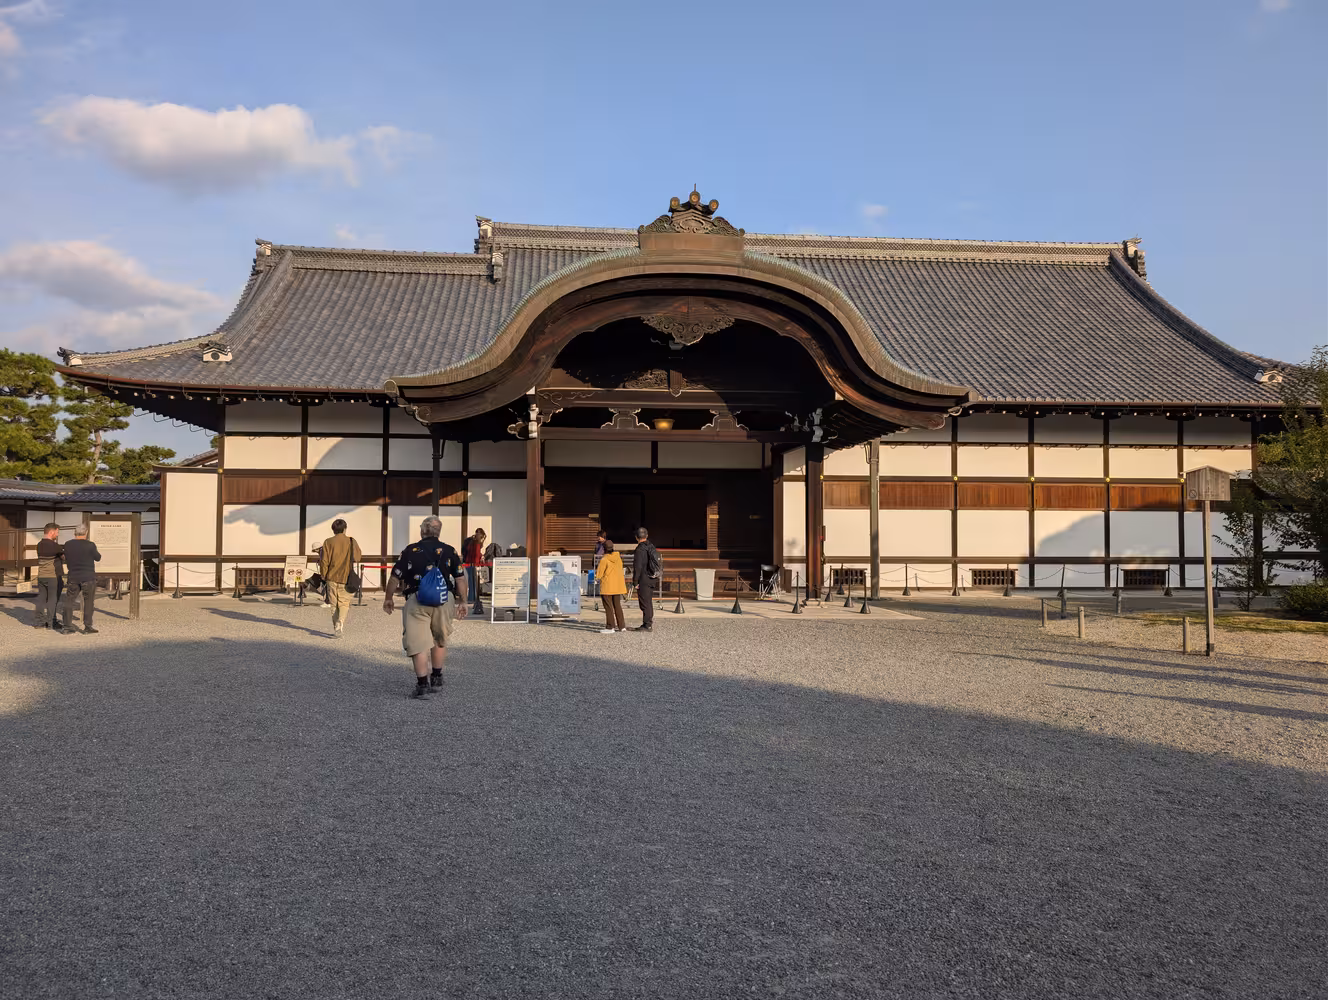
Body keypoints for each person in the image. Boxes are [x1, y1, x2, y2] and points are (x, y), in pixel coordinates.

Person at [383, 516, 467, 699]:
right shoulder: (449, 550)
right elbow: (460, 578)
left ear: (422, 531)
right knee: (439, 638)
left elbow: (395, 577)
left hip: (417, 599)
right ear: (439, 532)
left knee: (418, 642)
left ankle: (422, 685)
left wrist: (388, 597)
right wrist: (463, 601)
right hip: (444, 599)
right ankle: (437, 677)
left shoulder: (410, 551)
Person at [318, 519, 362, 638]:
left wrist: (324, 575)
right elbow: (358, 558)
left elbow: (324, 561)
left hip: (331, 576)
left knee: (333, 604)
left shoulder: (328, 542)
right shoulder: (351, 541)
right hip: (345, 576)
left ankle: (335, 628)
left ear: (333, 530)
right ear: (345, 529)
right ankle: (340, 623)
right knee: (344, 603)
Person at [61, 525, 101, 635]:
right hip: (88, 577)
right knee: (88, 602)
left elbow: (66, 557)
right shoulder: (90, 545)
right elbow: (98, 557)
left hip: (73, 576)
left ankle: (67, 627)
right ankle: (87, 627)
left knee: (69, 601)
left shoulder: (68, 544)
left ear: (75, 533)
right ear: (86, 533)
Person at [33, 523, 67, 630]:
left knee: (41, 598)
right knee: (52, 599)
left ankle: (39, 622)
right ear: (51, 532)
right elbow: (63, 557)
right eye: (57, 533)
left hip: (41, 576)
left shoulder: (39, 544)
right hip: (52, 576)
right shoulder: (54, 545)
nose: (57, 535)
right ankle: (51, 623)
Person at [631, 526, 660, 632]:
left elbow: (637, 567)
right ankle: (648, 622)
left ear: (636, 537)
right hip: (652, 577)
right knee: (648, 601)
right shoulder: (651, 546)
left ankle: (647, 624)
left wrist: (635, 581)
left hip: (644, 579)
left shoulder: (640, 549)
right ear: (647, 536)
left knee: (645, 602)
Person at [596, 539, 626, 633]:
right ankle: (622, 626)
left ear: (604, 549)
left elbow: (599, 575)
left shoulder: (604, 559)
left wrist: (596, 578)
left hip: (607, 587)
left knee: (608, 607)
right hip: (617, 586)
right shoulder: (618, 558)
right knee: (617, 606)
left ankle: (610, 627)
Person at [462, 527, 487, 615]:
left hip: (468, 562)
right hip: (472, 563)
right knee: (473, 581)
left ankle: (471, 598)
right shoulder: (476, 542)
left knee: (471, 581)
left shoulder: (471, 541)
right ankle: (473, 598)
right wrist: (478, 563)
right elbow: (476, 554)